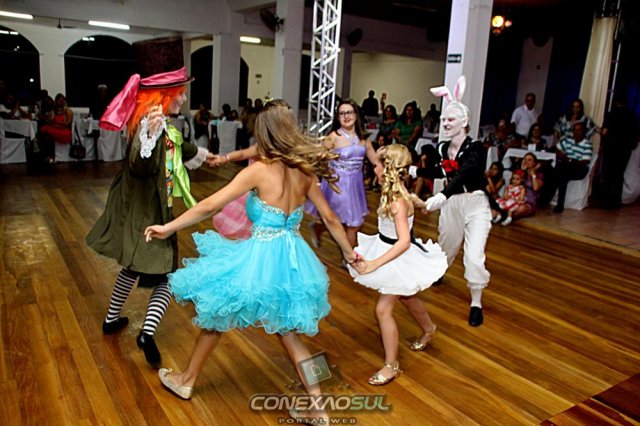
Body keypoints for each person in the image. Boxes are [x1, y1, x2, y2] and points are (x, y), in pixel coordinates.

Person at [144, 100, 359, 424]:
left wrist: (169, 227)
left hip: (259, 258)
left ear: (265, 133)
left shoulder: (259, 170)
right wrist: (349, 254)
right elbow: (329, 218)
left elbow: (210, 205)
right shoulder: (305, 171)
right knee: (290, 335)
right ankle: (319, 408)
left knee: (218, 314)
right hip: (294, 262)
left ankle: (186, 380)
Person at [86, 37, 214, 368]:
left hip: (146, 208)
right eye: (179, 92)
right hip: (145, 212)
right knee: (167, 274)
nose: (184, 98)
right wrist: (149, 137)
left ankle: (111, 319)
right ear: (163, 94)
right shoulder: (149, 124)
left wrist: (205, 155)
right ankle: (147, 333)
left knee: (133, 266)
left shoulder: (160, 123)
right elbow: (139, 165)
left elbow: (178, 146)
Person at [347, 145, 447, 385]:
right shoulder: (398, 194)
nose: (374, 168)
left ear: (388, 169)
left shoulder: (398, 202)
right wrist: (422, 205)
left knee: (383, 310)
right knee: (408, 297)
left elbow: (403, 241)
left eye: (377, 165)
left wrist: (374, 264)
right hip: (385, 246)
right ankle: (430, 329)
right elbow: (415, 202)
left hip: (396, 255)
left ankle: (391, 365)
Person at [425, 76, 491, 327]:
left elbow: (464, 174)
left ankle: (476, 303)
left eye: (450, 119)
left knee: (474, 257)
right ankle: (440, 272)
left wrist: (441, 196)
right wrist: (411, 171)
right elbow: (440, 171)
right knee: (447, 246)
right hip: (453, 206)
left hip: (475, 204)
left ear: (464, 122)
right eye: (443, 119)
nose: (445, 123)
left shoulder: (476, 149)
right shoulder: (443, 148)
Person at [306, 99, 378, 250]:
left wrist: (384, 175)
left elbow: (376, 161)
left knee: (346, 222)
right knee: (351, 223)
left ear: (356, 115)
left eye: (349, 112)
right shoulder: (333, 136)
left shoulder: (364, 139)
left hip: (355, 186)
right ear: (338, 117)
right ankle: (349, 257)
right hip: (338, 184)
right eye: (342, 113)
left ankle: (319, 228)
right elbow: (317, 159)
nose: (346, 116)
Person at [599, 94, 639, 210]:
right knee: (619, 175)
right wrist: (630, 146)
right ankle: (616, 200)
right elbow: (635, 135)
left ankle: (605, 200)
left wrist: (604, 143)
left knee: (608, 175)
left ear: (615, 102)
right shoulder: (632, 116)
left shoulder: (610, 114)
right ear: (626, 102)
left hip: (610, 148)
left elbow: (604, 132)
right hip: (624, 150)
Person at [552, 121, 593, 213]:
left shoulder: (587, 144)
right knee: (558, 171)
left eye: (579, 130)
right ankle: (552, 200)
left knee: (561, 172)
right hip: (567, 166)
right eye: (574, 130)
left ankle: (559, 203)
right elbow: (557, 149)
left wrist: (568, 159)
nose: (576, 132)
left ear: (583, 132)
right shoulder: (568, 140)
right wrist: (564, 156)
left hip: (580, 169)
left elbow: (584, 162)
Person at [511, 152, 545, 219]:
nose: (526, 162)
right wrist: (521, 172)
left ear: (534, 163)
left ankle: (506, 217)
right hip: (517, 199)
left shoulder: (539, 175)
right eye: (525, 159)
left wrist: (533, 173)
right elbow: (512, 185)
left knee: (520, 209)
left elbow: (536, 188)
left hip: (529, 202)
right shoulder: (521, 172)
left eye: (529, 160)